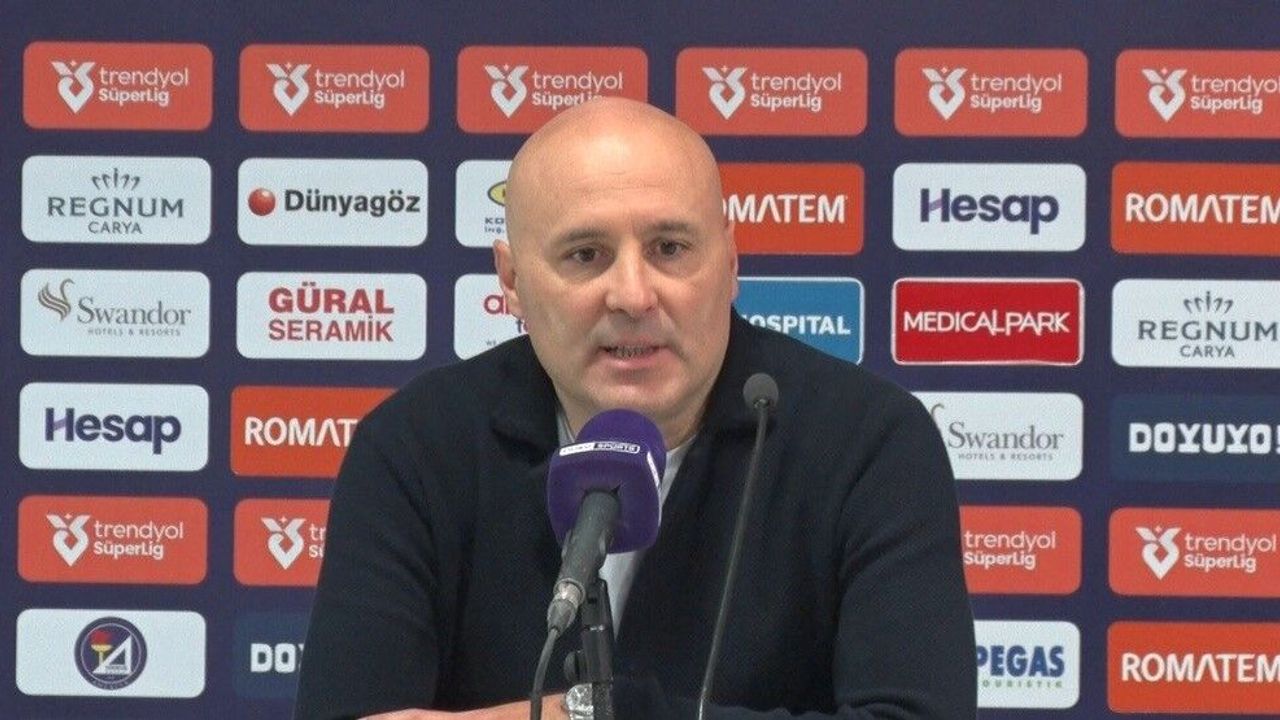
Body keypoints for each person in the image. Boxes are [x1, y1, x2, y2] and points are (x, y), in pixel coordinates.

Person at [294, 97, 976, 720]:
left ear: (731, 259)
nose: (633, 295)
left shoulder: (869, 443)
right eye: (585, 255)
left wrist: (596, 714)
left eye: (670, 249)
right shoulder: (415, 447)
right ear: (512, 281)